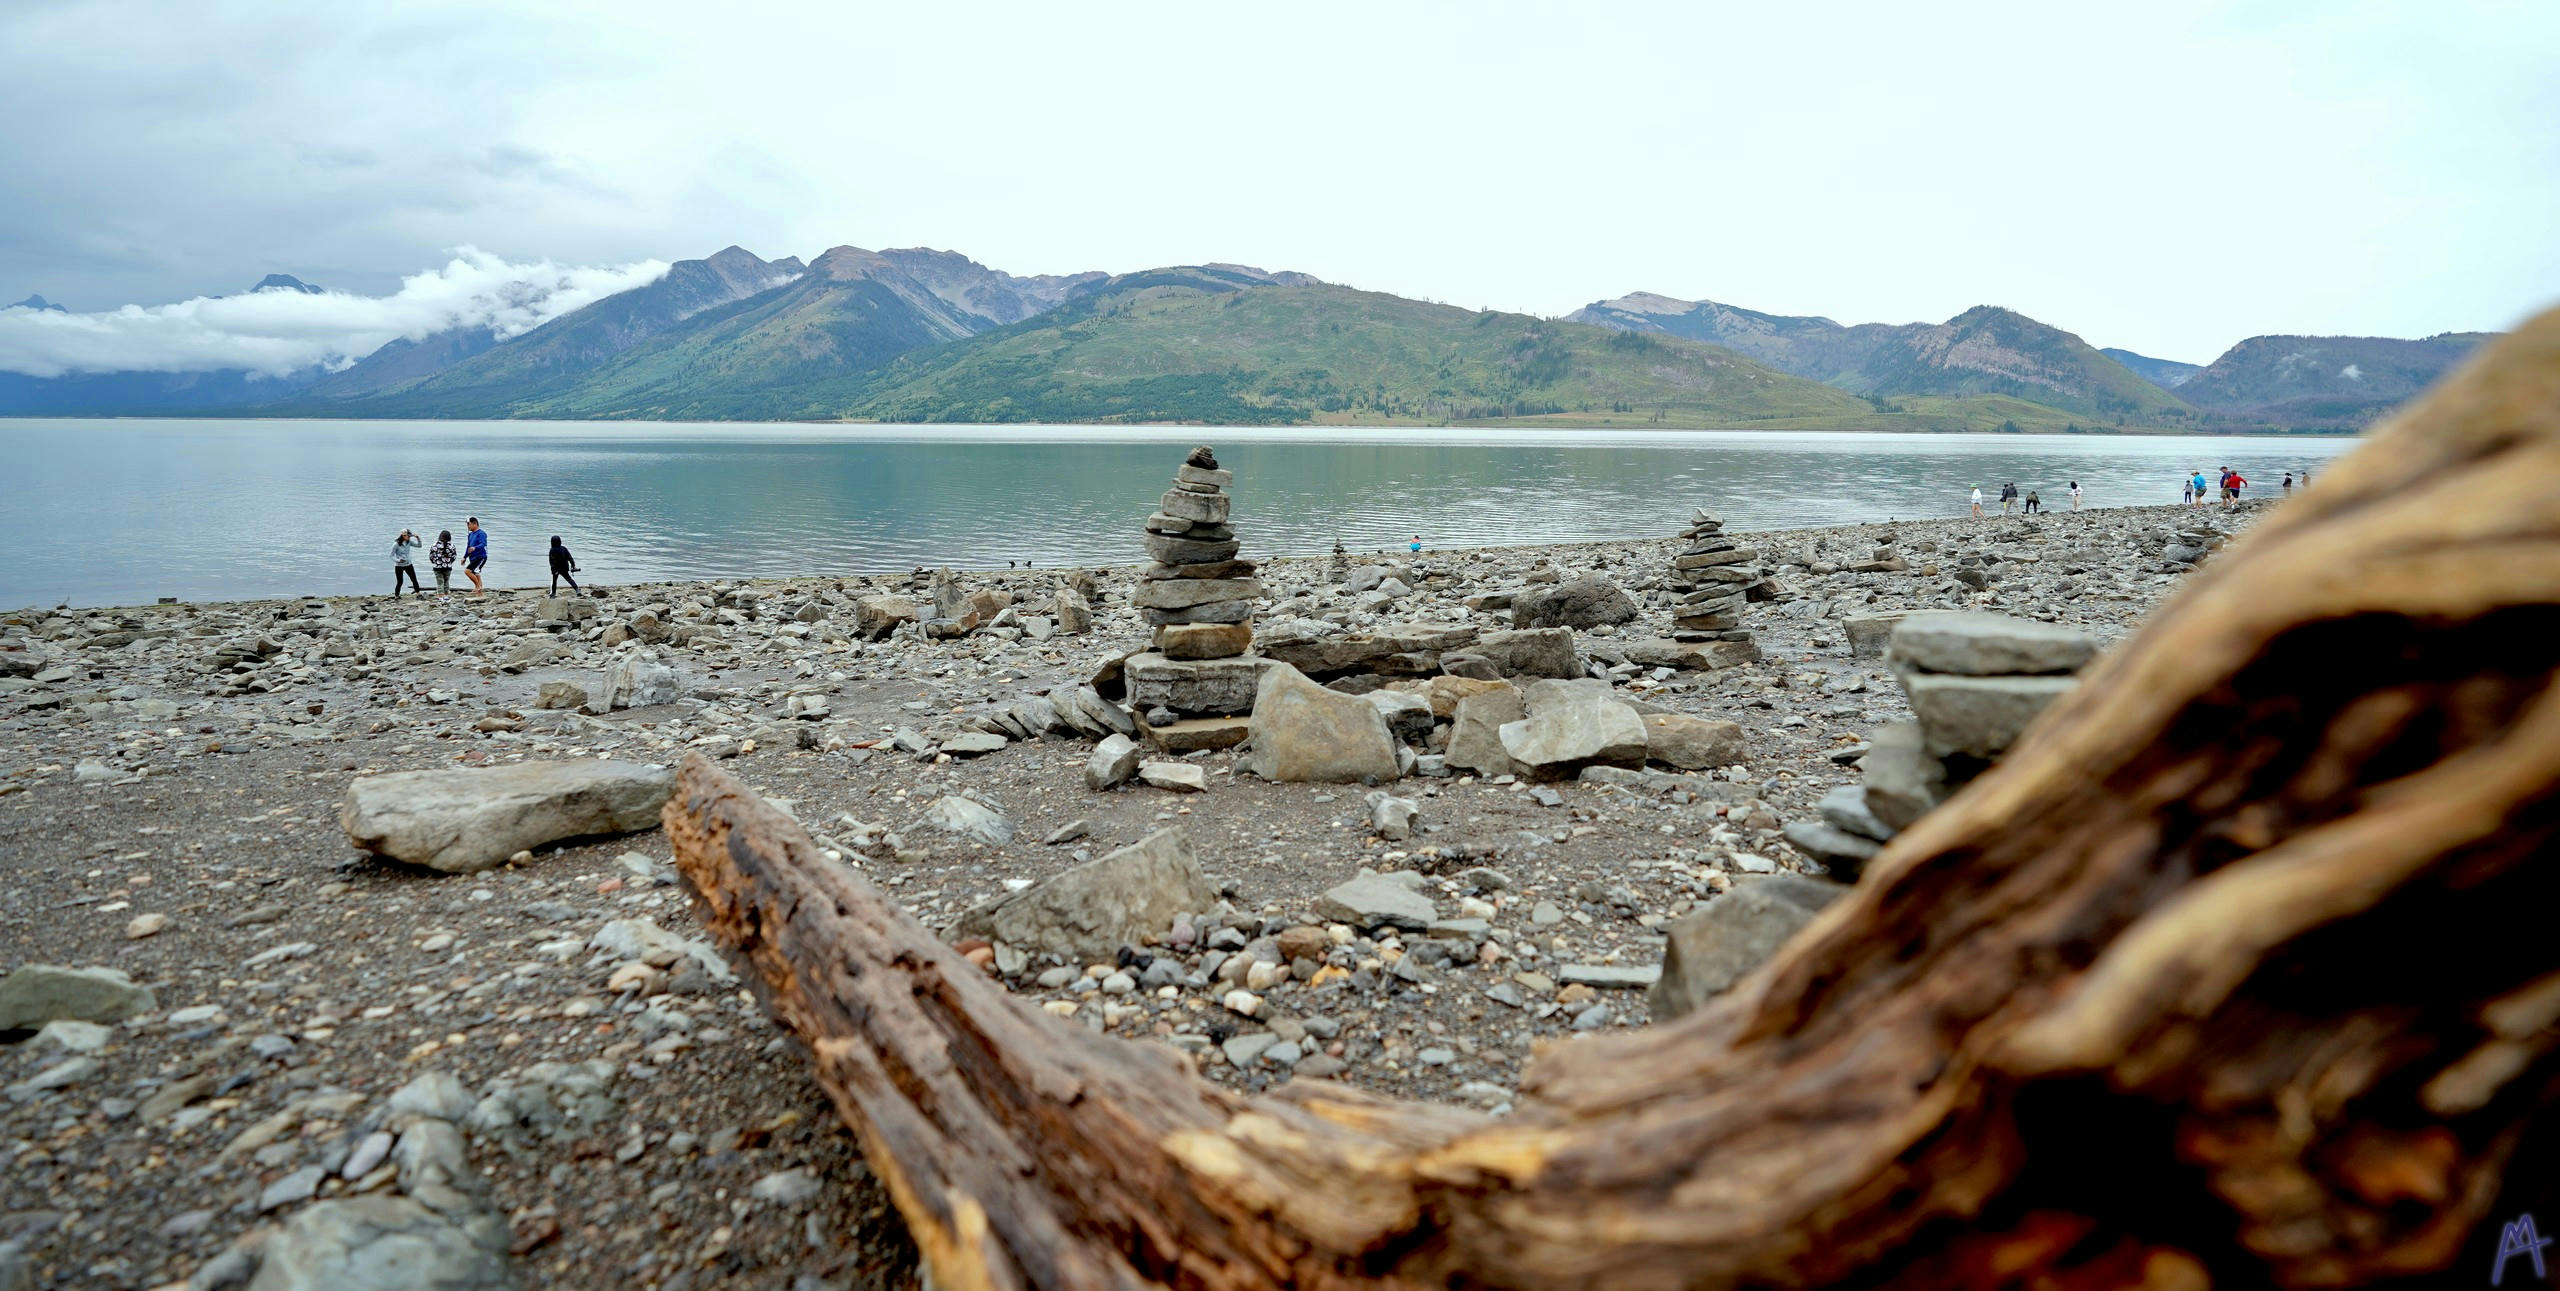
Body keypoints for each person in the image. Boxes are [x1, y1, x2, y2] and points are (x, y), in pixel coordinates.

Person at [391, 530, 425, 598]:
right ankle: (397, 595)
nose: (409, 538)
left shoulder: (409, 542)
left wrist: (418, 538)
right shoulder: (396, 544)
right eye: (408, 536)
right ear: (403, 536)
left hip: (408, 564)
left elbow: (419, 546)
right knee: (400, 582)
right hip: (399, 565)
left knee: (414, 579)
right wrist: (398, 560)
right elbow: (391, 555)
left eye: (410, 536)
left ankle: (418, 593)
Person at [463, 517, 489, 594]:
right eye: (467, 524)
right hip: (473, 557)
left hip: (481, 556)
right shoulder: (470, 535)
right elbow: (468, 547)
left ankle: (478, 587)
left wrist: (475, 548)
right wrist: (464, 557)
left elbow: (483, 544)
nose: (468, 526)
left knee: (467, 571)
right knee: (476, 573)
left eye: (469, 524)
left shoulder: (481, 533)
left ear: (475, 524)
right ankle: (479, 590)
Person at [428, 530, 458, 594]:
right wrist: (449, 562)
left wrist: (435, 562)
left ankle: (441, 598)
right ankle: (446, 597)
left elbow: (431, 556)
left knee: (440, 583)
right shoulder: (452, 545)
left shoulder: (434, 545)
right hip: (448, 567)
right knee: (446, 582)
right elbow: (454, 556)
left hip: (437, 567)